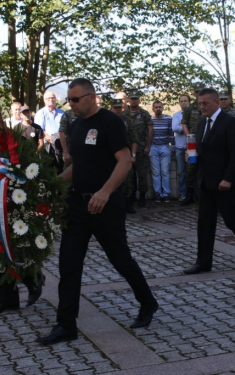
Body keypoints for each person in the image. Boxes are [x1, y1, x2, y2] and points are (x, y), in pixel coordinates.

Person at [36, 78, 158, 345]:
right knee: (69, 264)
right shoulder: (77, 125)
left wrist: (105, 191)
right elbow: (78, 167)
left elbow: (125, 161)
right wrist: (54, 184)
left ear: (91, 97)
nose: (71, 104)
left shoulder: (110, 122)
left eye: (75, 99)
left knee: (120, 259)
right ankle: (66, 325)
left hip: (105, 205)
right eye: (69, 99)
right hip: (78, 205)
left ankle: (148, 302)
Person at [183, 88, 235, 275]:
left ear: (216, 103)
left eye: (205, 103)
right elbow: (203, 150)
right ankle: (203, 262)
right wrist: (191, 155)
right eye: (200, 103)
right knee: (205, 223)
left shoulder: (230, 122)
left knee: (232, 221)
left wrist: (227, 179)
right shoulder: (201, 123)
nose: (202, 107)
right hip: (206, 181)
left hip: (224, 183)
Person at [0, 103, 43, 313]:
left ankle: (33, 280)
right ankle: (6, 299)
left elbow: (32, 171)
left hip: (16, 204)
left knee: (18, 249)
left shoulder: (18, 141)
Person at [123, 90, 153, 208]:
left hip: (141, 149)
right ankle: (130, 198)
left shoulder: (144, 114)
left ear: (139, 100)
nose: (134, 100)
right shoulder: (124, 114)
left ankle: (142, 197)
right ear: (128, 100)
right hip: (127, 149)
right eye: (132, 98)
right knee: (128, 175)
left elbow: (150, 129)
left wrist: (148, 146)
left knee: (142, 174)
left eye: (136, 98)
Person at [111, 98, 139, 213]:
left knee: (128, 181)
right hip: (111, 157)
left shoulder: (127, 120)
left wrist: (133, 155)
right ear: (111, 108)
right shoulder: (106, 120)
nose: (118, 110)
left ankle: (128, 204)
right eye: (115, 108)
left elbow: (134, 139)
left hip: (125, 156)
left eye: (119, 107)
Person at [180, 83, 205, 206]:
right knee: (190, 169)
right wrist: (189, 137)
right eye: (196, 92)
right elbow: (184, 123)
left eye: (201, 91)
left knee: (205, 169)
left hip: (206, 143)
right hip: (193, 144)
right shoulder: (190, 108)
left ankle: (201, 196)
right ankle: (189, 195)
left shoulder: (207, 106)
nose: (198, 93)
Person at [34, 90, 65, 172]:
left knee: (60, 169)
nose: (51, 100)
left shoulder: (62, 113)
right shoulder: (41, 113)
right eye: (48, 98)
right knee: (48, 170)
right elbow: (40, 130)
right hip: (47, 146)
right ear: (44, 100)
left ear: (55, 99)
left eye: (53, 98)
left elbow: (66, 128)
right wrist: (52, 140)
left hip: (61, 144)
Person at [150, 100, 172, 202]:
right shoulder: (150, 120)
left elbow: (171, 134)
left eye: (160, 107)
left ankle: (166, 194)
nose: (158, 109)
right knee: (155, 173)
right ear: (153, 109)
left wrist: (173, 147)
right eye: (156, 107)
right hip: (153, 147)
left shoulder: (168, 119)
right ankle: (158, 193)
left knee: (165, 172)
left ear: (162, 108)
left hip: (164, 147)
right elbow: (147, 135)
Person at [172, 94, 190, 201]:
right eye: (181, 101)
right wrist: (187, 128)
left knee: (192, 172)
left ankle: (192, 194)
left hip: (192, 147)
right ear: (179, 103)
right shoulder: (177, 115)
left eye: (185, 100)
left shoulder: (193, 114)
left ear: (189, 102)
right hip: (180, 147)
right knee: (182, 172)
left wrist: (182, 127)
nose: (183, 103)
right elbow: (174, 127)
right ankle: (182, 193)